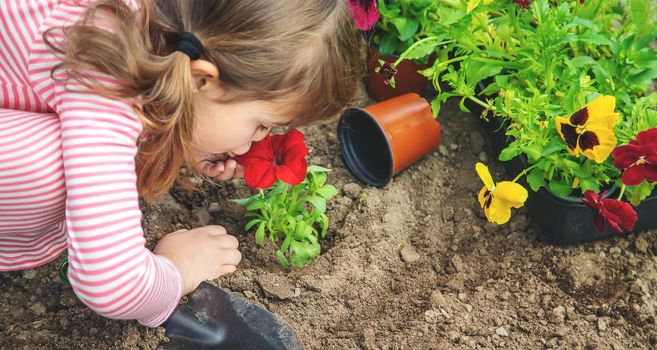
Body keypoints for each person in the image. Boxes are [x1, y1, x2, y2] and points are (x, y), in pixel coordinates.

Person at [0, 0, 363, 327]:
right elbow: (112, 283)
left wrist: (183, 142)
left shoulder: (162, 24)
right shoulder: (105, 65)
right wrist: (177, 269)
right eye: (262, 125)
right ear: (200, 79)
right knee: (49, 166)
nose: (259, 140)